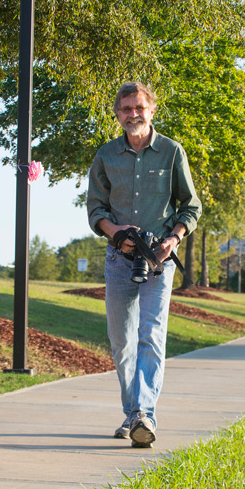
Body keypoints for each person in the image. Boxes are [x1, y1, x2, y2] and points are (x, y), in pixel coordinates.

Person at [87, 81, 202, 449]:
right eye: (126, 109)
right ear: (118, 114)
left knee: (151, 334)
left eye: (139, 107)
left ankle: (145, 415)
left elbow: (191, 206)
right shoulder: (106, 155)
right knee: (121, 341)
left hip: (159, 260)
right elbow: (95, 208)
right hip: (119, 258)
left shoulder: (172, 152)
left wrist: (173, 238)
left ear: (152, 110)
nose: (133, 114)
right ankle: (132, 411)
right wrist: (114, 231)